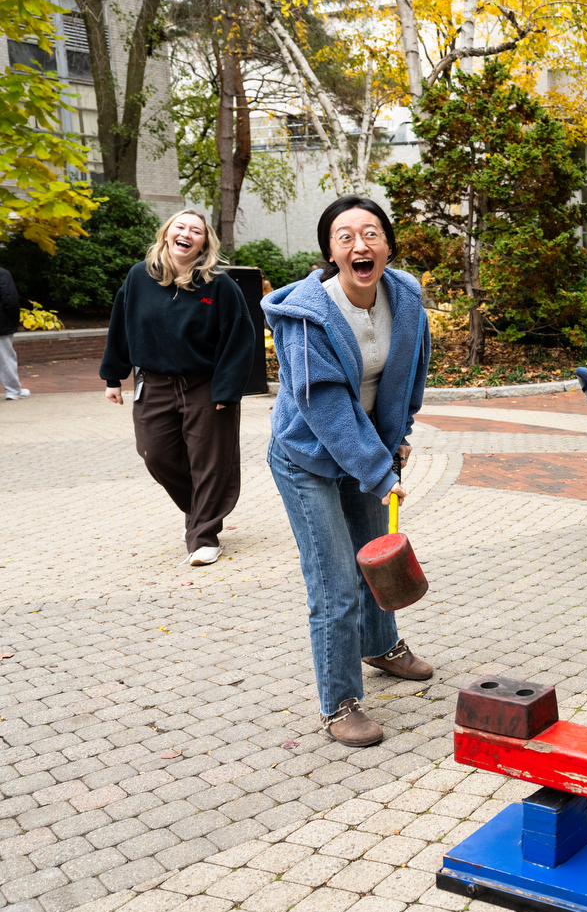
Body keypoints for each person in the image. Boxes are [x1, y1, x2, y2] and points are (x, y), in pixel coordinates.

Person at [263, 195, 433, 748]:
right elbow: (328, 409)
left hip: (367, 453)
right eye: (345, 236)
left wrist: (397, 439)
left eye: (371, 233)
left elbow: (410, 376)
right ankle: (338, 702)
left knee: (374, 560)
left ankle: (381, 646)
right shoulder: (307, 317)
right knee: (335, 582)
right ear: (330, 253)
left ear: (386, 243)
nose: (360, 244)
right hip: (307, 458)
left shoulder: (404, 298)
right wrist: (380, 472)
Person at [100, 211, 256, 565]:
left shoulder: (219, 285)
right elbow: (121, 326)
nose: (186, 234)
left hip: (205, 385)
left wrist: (227, 391)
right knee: (155, 455)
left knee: (210, 462)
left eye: (196, 231)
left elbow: (239, 340)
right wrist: (113, 377)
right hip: (153, 383)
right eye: (180, 227)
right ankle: (204, 511)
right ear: (167, 233)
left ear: (204, 243)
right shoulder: (139, 277)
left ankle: (203, 536)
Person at [0, 266, 27, 400]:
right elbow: (10, 298)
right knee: (5, 358)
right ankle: (13, 391)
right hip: (1, 323)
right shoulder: (2, 274)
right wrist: (13, 320)